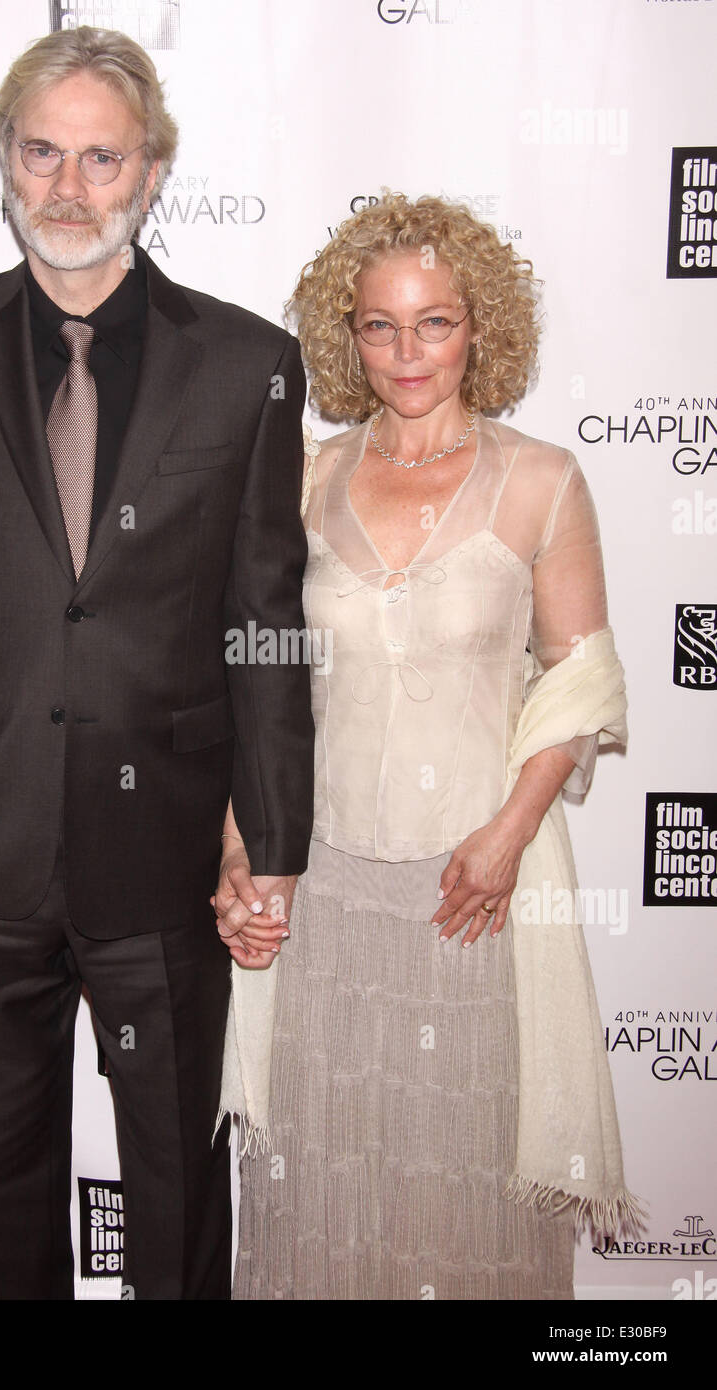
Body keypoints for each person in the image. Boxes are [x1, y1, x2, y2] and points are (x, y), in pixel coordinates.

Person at [0, 25, 313, 1301]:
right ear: (5, 158)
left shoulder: (245, 365)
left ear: (152, 171)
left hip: (164, 864)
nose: (68, 186)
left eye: (101, 158)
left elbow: (264, 622)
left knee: (175, 1218)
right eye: (41, 151)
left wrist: (267, 843)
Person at [213, 193, 642, 1300]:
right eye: (378, 326)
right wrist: (235, 849)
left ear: (479, 327)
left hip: (473, 889)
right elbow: (258, 684)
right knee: (328, 1167)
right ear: (343, 336)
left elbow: (580, 673)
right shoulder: (302, 480)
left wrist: (506, 833)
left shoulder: (538, 477)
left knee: (465, 1170)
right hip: (324, 887)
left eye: (435, 322)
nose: (407, 353)